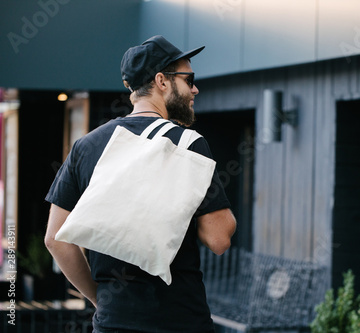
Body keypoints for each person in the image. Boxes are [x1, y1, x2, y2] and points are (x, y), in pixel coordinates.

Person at [44, 35, 237, 333]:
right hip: (179, 321)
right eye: (189, 79)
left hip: (112, 323)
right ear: (162, 81)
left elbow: (55, 239)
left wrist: (100, 299)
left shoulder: (86, 145)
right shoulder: (187, 144)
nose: (195, 89)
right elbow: (219, 239)